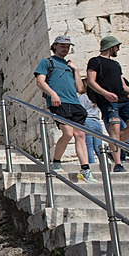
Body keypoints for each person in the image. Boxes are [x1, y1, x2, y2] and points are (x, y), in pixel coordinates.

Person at [35, 35, 96, 182]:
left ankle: (85, 169)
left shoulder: (69, 66)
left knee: (81, 135)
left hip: (74, 103)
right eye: (62, 45)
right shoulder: (47, 62)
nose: (65, 48)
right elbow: (40, 82)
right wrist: (52, 94)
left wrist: (75, 70)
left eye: (68, 46)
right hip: (59, 103)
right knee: (67, 133)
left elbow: (80, 88)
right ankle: (56, 162)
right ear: (55, 46)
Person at [87, 36, 129, 172]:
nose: (118, 49)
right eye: (116, 46)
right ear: (110, 46)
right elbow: (91, 81)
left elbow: (123, 85)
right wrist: (105, 93)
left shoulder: (116, 64)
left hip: (124, 100)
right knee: (115, 128)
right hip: (108, 101)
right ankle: (118, 163)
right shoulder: (95, 61)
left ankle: (111, 147)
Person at [79, 89, 103, 164]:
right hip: (97, 121)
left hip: (87, 121)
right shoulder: (96, 97)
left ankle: (91, 164)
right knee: (99, 146)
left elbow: (81, 110)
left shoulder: (83, 97)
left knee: (88, 146)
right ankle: (103, 163)